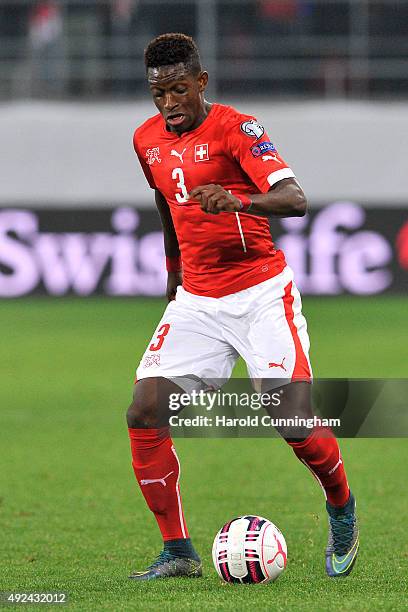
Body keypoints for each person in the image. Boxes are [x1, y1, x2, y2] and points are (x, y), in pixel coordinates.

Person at [127, 32, 359, 580]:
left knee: (289, 418)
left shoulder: (238, 128)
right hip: (197, 299)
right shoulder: (145, 140)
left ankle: (342, 504)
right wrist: (175, 276)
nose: (168, 104)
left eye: (178, 91)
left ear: (200, 83)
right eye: (158, 94)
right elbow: (165, 202)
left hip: (259, 292)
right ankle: (179, 552)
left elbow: (296, 199)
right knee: (143, 411)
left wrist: (241, 200)